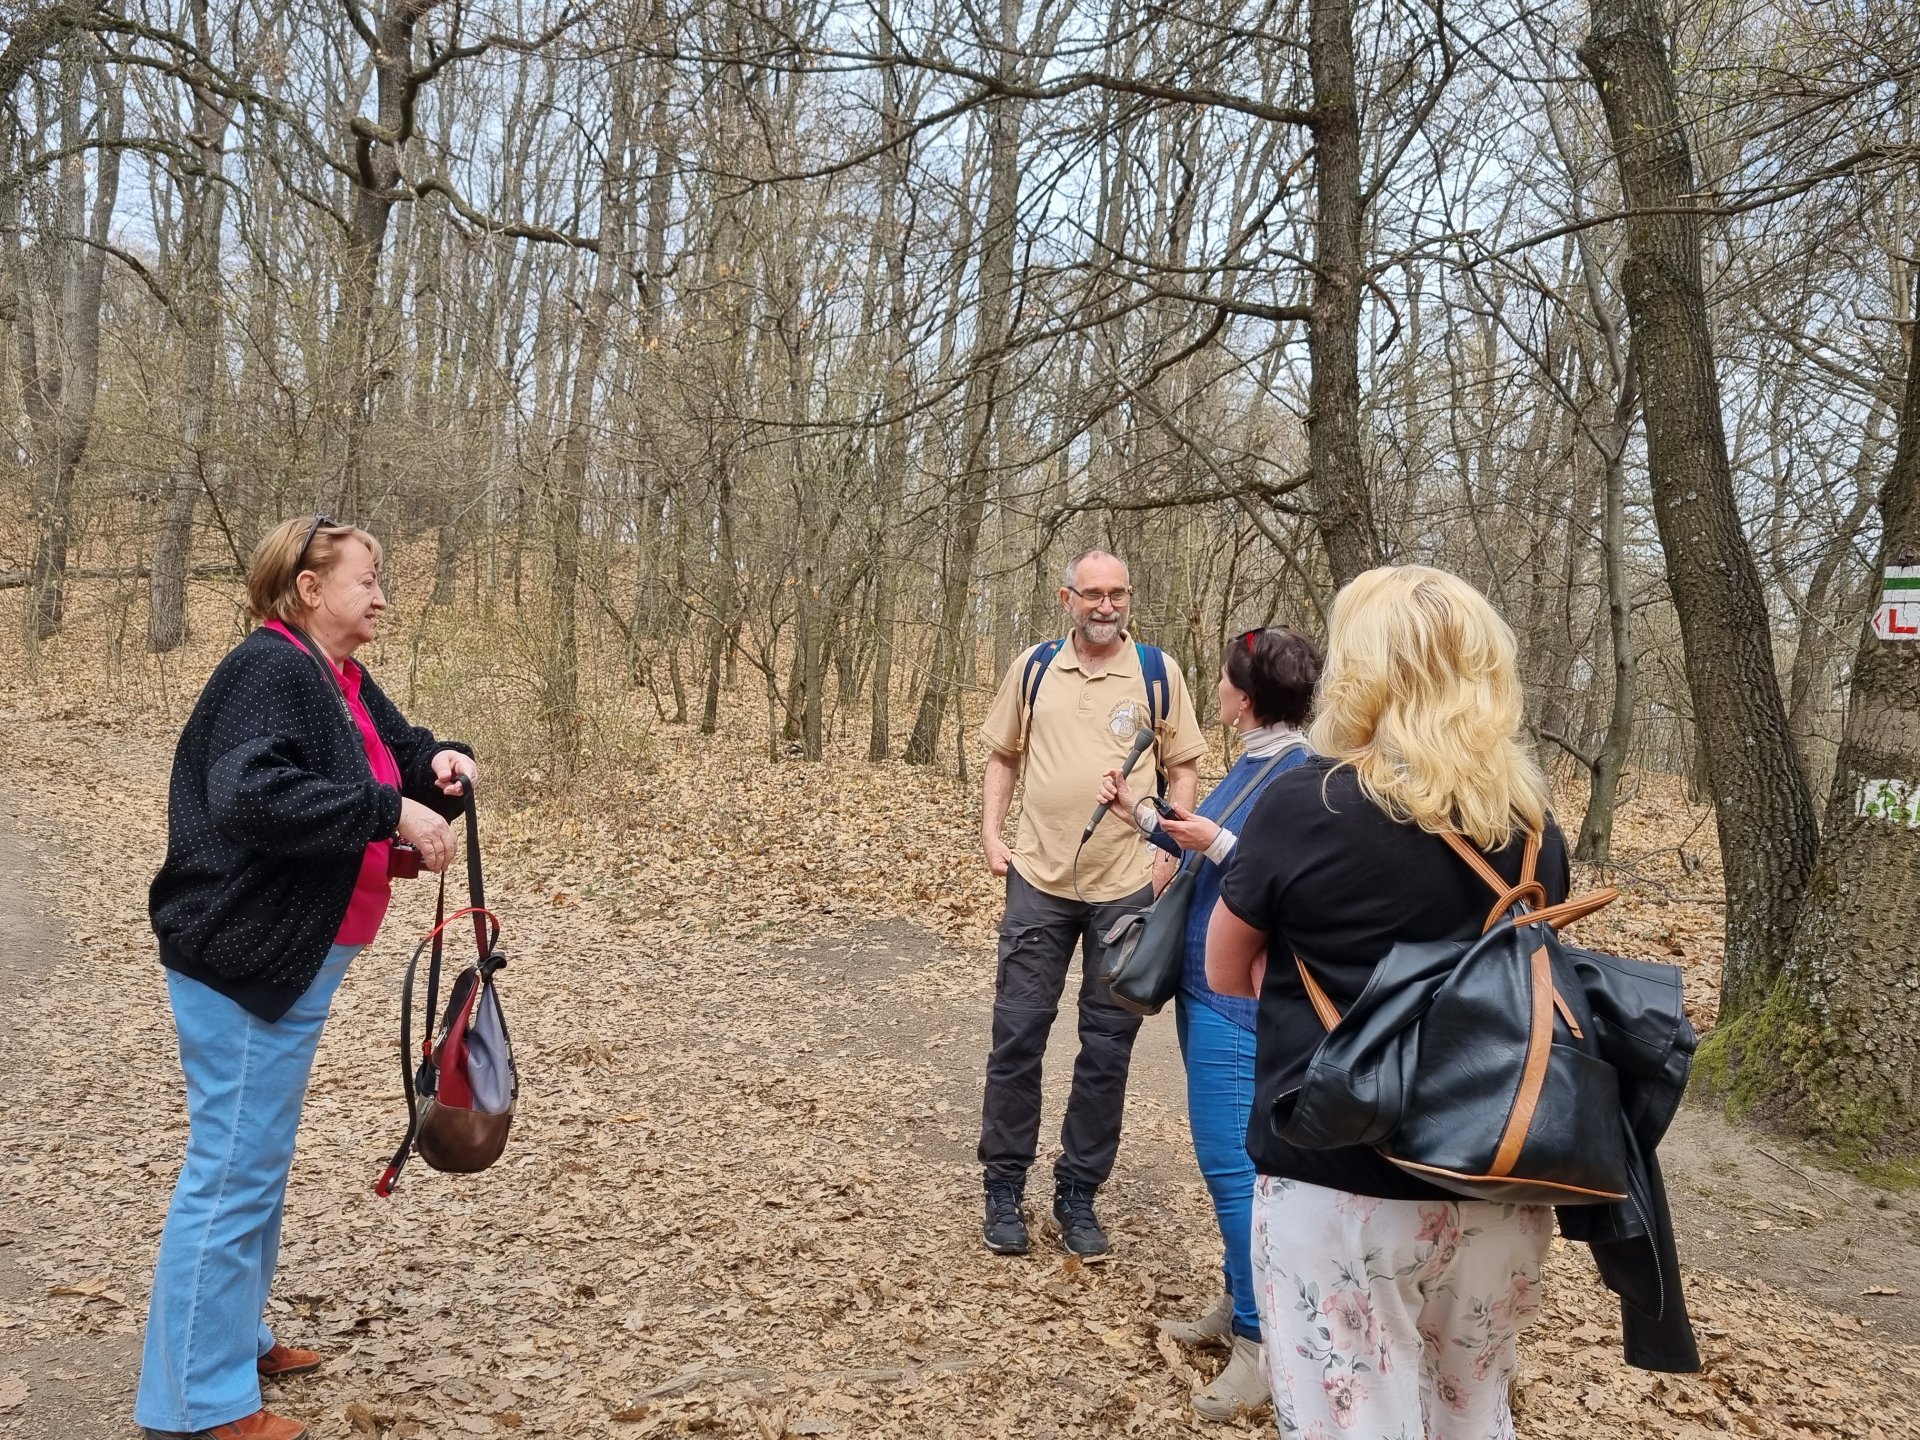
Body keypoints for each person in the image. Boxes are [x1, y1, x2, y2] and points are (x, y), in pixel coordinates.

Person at [1206, 566, 1567, 1439]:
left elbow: (1225, 970)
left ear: (1360, 672)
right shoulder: (1532, 828)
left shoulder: (1308, 802)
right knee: (1471, 1418)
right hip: (1497, 1179)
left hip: (1341, 1184)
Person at [139, 516, 475, 1440]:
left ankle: (228, 1340)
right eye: (367, 580)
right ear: (308, 589)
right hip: (245, 957)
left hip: (289, 962)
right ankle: (196, 1405)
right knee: (233, 1169)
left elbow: (399, 749)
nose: (381, 597)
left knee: (255, 1159)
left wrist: (439, 765)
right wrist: (390, 811)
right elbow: (249, 794)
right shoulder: (270, 669)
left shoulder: (337, 676)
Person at [1094, 625, 1322, 1421]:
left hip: (1239, 1002)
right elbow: (1210, 848)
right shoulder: (1255, 763)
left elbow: (1280, 877)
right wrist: (1139, 815)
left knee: (1233, 1170)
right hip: (1202, 989)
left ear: (1248, 696)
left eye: (1225, 679)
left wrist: (1214, 840)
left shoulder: (1301, 773)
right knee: (1228, 1166)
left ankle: (1262, 1345)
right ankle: (1238, 1299)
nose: (1217, 689)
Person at [976, 549, 1208, 1259]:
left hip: (1125, 889)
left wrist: (1168, 851)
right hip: (1038, 880)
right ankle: (1003, 1187)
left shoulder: (1159, 673)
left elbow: (1184, 767)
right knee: (1018, 1036)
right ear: (1066, 598)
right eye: (1093, 594)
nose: (1106, 606)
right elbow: (1003, 755)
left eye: (1118, 593)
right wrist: (991, 833)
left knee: (1107, 1050)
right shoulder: (1034, 667)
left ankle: (1078, 1193)